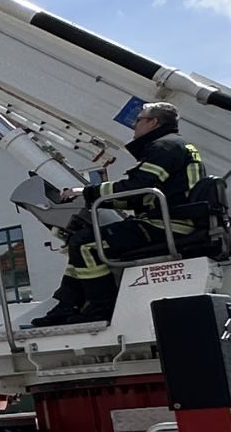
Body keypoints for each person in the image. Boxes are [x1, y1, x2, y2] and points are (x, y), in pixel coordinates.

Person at [28, 102, 204, 326]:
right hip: (175, 221)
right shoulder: (178, 146)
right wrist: (101, 199)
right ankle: (66, 305)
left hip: (167, 226)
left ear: (153, 122)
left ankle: (101, 306)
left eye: (138, 120)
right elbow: (141, 193)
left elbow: (137, 187)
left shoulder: (163, 148)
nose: (134, 126)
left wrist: (87, 192)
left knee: (84, 244)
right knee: (80, 244)